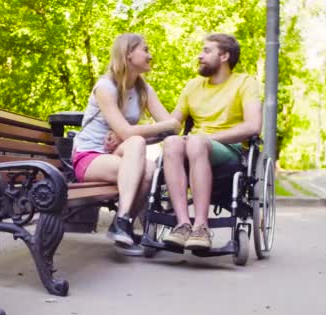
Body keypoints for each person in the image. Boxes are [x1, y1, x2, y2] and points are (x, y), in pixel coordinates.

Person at [72, 33, 180, 255]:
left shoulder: (144, 90)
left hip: (119, 154)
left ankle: (121, 224)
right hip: (89, 156)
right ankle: (123, 223)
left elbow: (172, 128)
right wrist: (128, 134)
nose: (150, 55)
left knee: (147, 164)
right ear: (128, 53)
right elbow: (133, 130)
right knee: (140, 152)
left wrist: (127, 135)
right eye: (146, 50)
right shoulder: (105, 87)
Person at [161, 33, 263, 250]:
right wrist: (131, 132)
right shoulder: (192, 86)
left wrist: (206, 138)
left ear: (224, 56)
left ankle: (201, 227)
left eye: (207, 51)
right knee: (171, 143)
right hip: (194, 145)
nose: (200, 56)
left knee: (196, 143)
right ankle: (182, 224)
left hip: (229, 149)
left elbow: (253, 126)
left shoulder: (245, 83)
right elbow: (173, 123)